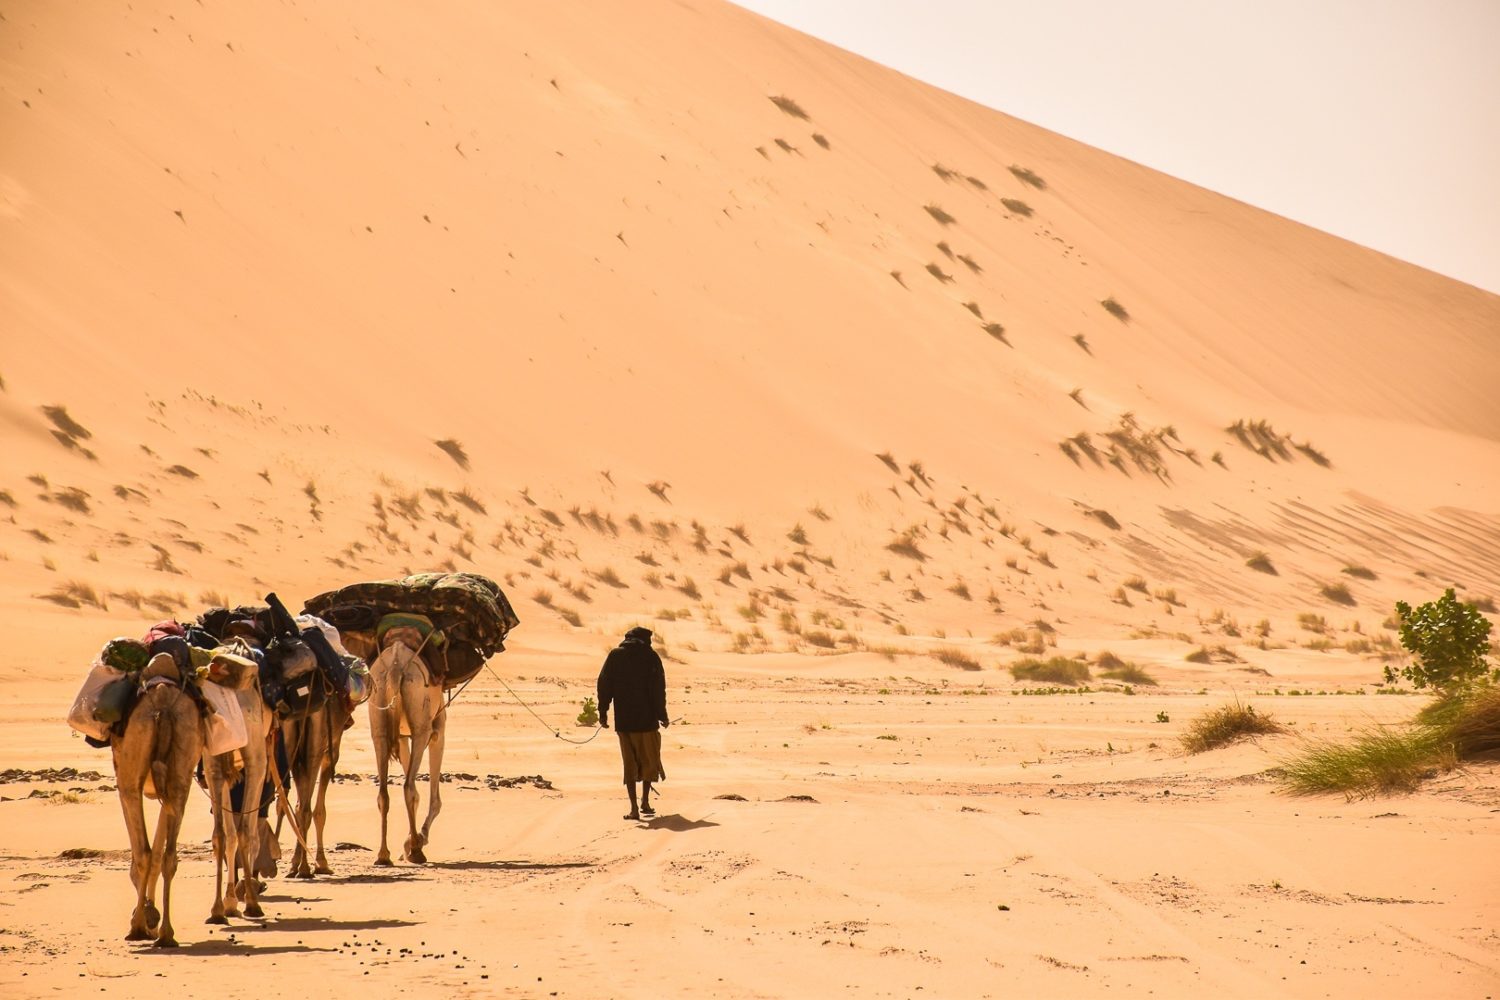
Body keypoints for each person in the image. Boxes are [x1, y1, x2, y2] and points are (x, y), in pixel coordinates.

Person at [597, 626, 669, 820]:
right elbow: (658, 689)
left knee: (629, 764)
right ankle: (645, 802)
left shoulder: (615, 655)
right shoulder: (651, 657)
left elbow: (604, 684)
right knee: (649, 762)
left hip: (624, 721)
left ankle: (634, 808)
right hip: (647, 721)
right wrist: (662, 715)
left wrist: (603, 711)